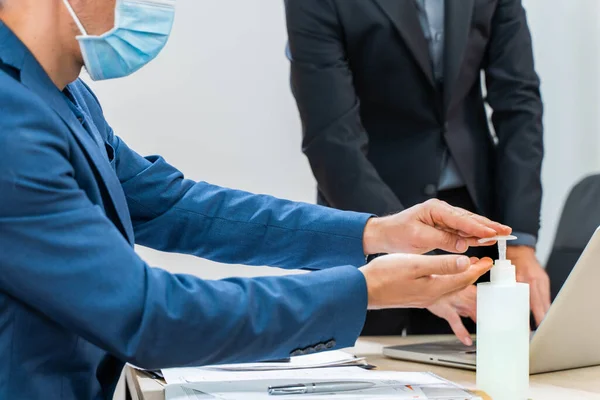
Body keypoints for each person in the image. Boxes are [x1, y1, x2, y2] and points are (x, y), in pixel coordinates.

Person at [0, 0, 511, 398]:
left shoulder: (65, 94)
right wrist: (363, 292)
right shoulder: (10, 120)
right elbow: (146, 315)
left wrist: (377, 233)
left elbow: (174, 206)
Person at [285, 0, 548, 338]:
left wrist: (519, 243)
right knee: (367, 375)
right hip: (366, 218)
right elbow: (331, 136)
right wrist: (396, 242)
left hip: (470, 228)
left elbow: (518, 102)